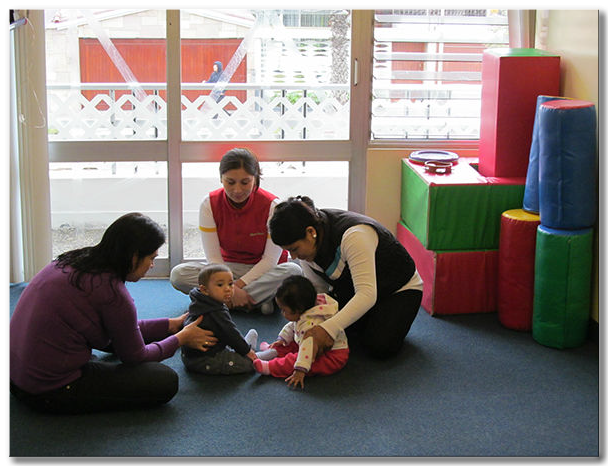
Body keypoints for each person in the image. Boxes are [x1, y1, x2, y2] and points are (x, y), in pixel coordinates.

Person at [9, 213, 218, 415]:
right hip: (48, 390)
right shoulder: (112, 293)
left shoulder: (72, 261)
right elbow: (136, 357)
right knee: (164, 380)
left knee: (115, 338)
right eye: (151, 258)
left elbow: (121, 327)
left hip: (14, 376)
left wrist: (171, 325)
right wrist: (180, 339)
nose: (152, 265)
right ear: (134, 256)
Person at [268, 196, 423, 360]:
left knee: (379, 346)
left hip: (399, 289)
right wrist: (303, 324)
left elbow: (366, 294)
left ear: (311, 232)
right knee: (337, 326)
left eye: (294, 249)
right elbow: (319, 292)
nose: (293, 256)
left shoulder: (354, 236)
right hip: (353, 287)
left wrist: (327, 329)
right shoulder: (308, 244)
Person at [170, 148, 302, 314]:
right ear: (221, 178)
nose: (237, 190)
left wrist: (234, 287)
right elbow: (214, 258)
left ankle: (223, 300)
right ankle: (258, 300)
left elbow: (269, 261)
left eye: (245, 182)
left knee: (294, 271)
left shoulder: (272, 206)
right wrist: (230, 285)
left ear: (255, 179)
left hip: (263, 270)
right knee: (178, 274)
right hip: (226, 268)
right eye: (230, 182)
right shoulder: (209, 204)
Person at [253, 275, 349, 389]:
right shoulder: (309, 308)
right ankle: (273, 352)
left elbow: (307, 349)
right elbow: (293, 325)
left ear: (298, 310)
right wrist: (282, 339)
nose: (282, 314)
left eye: (284, 310)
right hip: (310, 345)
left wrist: (300, 370)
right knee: (289, 343)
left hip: (331, 356)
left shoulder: (309, 327)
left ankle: (270, 367)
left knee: (294, 360)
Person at [181, 264, 259, 375]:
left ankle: (246, 349)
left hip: (189, 356)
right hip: (205, 359)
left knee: (239, 350)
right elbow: (231, 334)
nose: (227, 289)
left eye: (230, 284)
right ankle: (255, 354)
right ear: (205, 290)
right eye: (220, 285)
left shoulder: (200, 302)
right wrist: (247, 351)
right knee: (250, 364)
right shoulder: (215, 311)